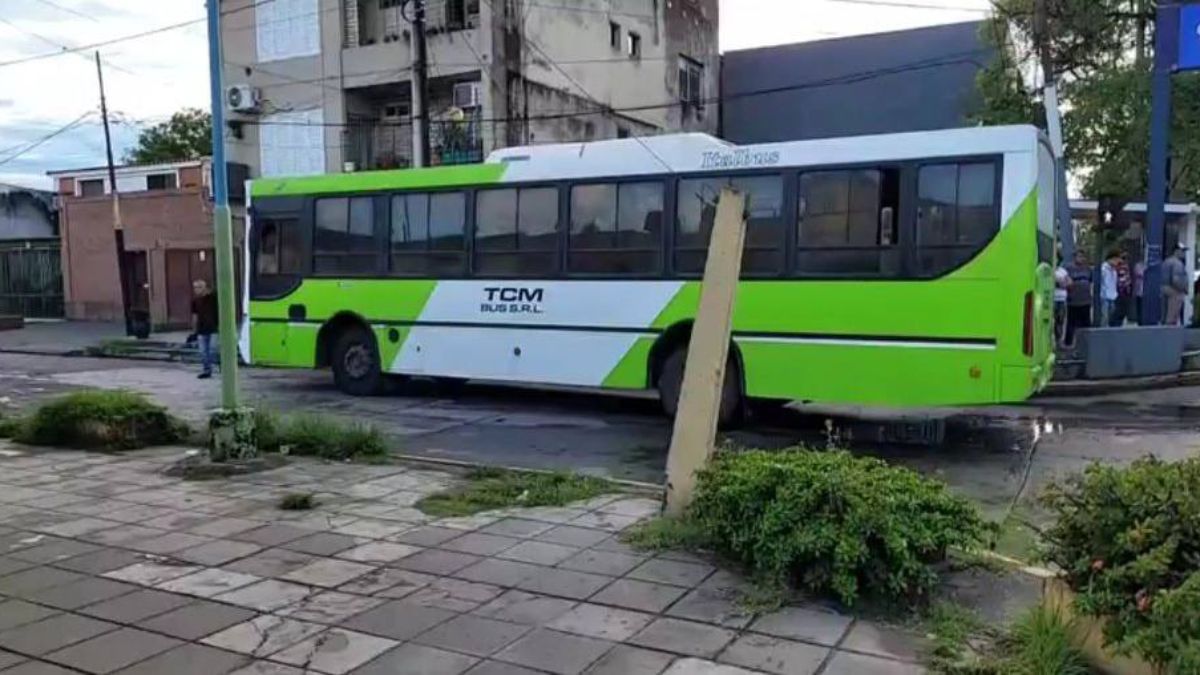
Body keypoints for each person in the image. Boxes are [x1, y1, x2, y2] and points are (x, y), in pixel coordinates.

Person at [191, 280, 218, 379]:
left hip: (214, 328)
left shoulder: (213, 298)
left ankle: (218, 366)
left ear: (205, 288)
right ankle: (207, 370)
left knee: (212, 350)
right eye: (195, 287)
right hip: (201, 329)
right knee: (203, 351)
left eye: (199, 287)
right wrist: (194, 330)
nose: (196, 290)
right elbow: (195, 315)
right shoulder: (195, 301)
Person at [1065, 250, 1093, 347]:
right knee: (1071, 323)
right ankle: (1068, 343)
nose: (1081, 258)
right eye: (1079, 256)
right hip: (1073, 301)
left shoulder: (1087, 268)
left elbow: (1091, 281)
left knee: (1086, 323)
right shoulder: (1068, 268)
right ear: (1074, 257)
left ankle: (1086, 342)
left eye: (1082, 256)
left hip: (1086, 300)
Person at [1163, 245, 1189, 325]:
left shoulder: (1166, 261)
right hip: (1174, 291)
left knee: (1167, 314)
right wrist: (1184, 288)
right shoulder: (1177, 263)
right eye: (1182, 251)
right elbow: (1176, 279)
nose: (1184, 253)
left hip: (1165, 288)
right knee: (1172, 317)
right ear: (1176, 251)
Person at [1100, 250, 1120, 327]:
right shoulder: (1103, 269)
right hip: (1104, 296)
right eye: (1116, 259)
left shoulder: (1114, 270)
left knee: (1111, 315)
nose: (1117, 261)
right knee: (1104, 316)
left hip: (1113, 296)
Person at [1054, 257, 1070, 344]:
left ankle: (1059, 341)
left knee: (1060, 320)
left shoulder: (1063, 271)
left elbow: (1068, 283)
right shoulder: (1049, 270)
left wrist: (1061, 282)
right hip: (1052, 298)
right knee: (1053, 321)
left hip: (1062, 299)